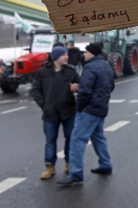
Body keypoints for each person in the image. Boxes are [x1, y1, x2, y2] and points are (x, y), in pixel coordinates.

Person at [56, 43, 115, 186]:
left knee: (76, 140)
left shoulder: (90, 67)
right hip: (101, 108)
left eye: (86, 52)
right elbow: (110, 86)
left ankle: (76, 173)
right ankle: (105, 165)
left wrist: (79, 106)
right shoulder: (106, 66)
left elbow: (86, 91)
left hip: (89, 110)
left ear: (93, 54)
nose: (83, 55)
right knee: (98, 137)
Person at [31, 46, 80, 180]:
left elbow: (81, 85)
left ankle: (69, 163)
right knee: (50, 140)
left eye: (67, 55)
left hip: (68, 111)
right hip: (50, 113)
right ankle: (49, 166)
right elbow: (35, 90)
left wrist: (77, 88)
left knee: (70, 138)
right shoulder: (43, 72)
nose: (67, 57)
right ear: (55, 57)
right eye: (64, 55)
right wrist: (44, 105)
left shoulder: (71, 71)